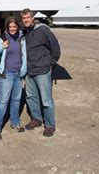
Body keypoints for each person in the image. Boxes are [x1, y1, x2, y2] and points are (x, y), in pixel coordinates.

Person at [20, 8, 61, 137]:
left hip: (42, 70)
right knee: (31, 97)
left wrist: (50, 63)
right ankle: (36, 119)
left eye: (28, 17)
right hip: (30, 71)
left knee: (46, 100)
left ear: (32, 18)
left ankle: (49, 125)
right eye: (24, 18)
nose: (26, 20)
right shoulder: (26, 32)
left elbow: (55, 47)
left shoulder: (42, 30)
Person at [0, 17, 27, 140]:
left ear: (17, 27)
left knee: (16, 100)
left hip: (18, 74)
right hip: (6, 74)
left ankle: (15, 122)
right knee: (3, 102)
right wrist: (2, 47)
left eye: (14, 26)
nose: (12, 29)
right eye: (10, 27)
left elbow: (24, 55)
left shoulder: (22, 39)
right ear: (7, 28)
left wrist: (23, 71)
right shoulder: (3, 38)